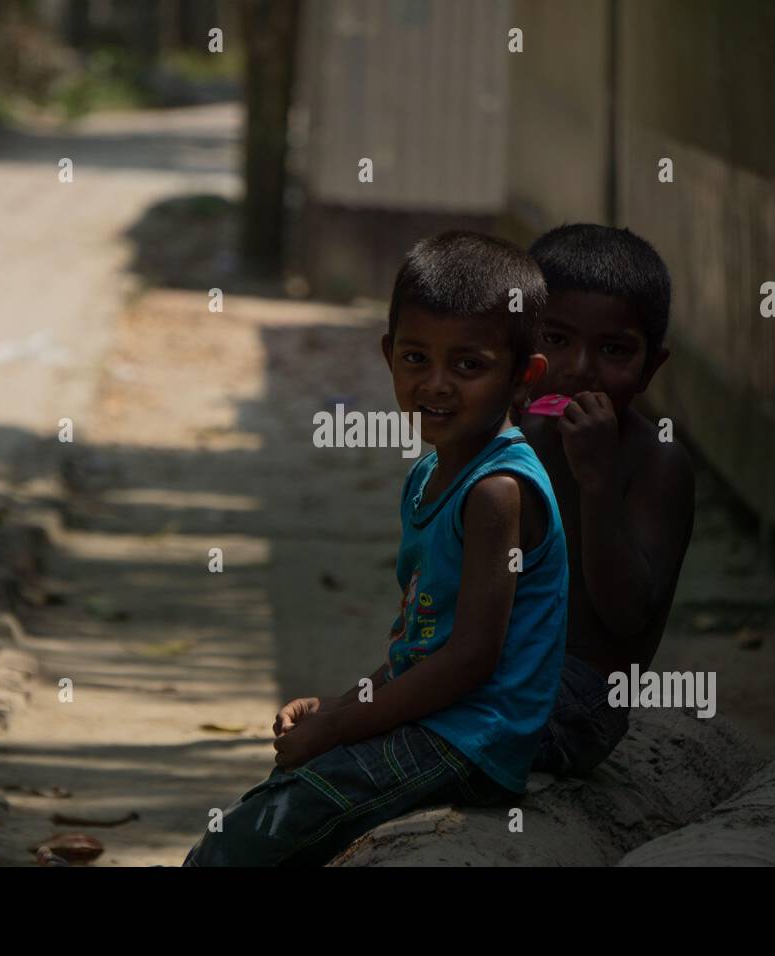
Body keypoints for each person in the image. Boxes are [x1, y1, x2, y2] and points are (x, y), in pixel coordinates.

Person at [183, 231, 569, 865]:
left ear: (524, 376)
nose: (436, 384)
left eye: (468, 365)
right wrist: (341, 703)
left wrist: (340, 726)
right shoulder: (429, 475)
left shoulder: (499, 490)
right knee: (277, 797)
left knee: (252, 837)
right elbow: (424, 642)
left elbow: (471, 658)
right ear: (390, 354)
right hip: (440, 720)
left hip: (471, 740)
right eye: (417, 358)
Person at [518, 224, 696, 778]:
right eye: (555, 339)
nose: (579, 368)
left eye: (614, 350)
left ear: (650, 369)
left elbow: (625, 616)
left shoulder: (657, 463)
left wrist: (597, 481)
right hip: (499, 675)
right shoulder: (508, 436)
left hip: (580, 704)